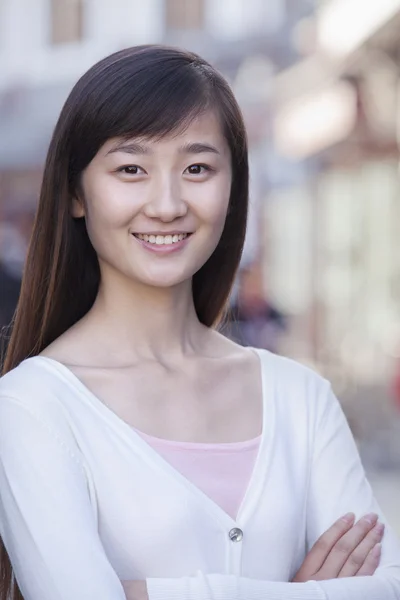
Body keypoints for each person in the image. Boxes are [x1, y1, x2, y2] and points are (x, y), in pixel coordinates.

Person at [0, 45, 399, 600]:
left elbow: (387, 587)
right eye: (131, 169)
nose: (166, 204)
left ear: (232, 187)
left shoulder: (299, 397)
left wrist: (152, 593)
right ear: (75, 192)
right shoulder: (32, 408)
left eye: (197, 168)